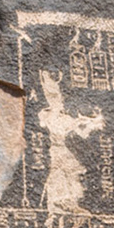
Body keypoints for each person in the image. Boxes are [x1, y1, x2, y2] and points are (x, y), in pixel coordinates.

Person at [38, 71, 104, 213]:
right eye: (55, 98)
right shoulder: (48, 115)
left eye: (60, 99)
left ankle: (68, 203)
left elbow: (82, 133)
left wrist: (90, 124)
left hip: (62, 149)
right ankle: (61, 203)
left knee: (70, 172)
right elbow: (64, 128)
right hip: (58, 149)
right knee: (63, 173)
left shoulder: (63, 117)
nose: (59, 101)